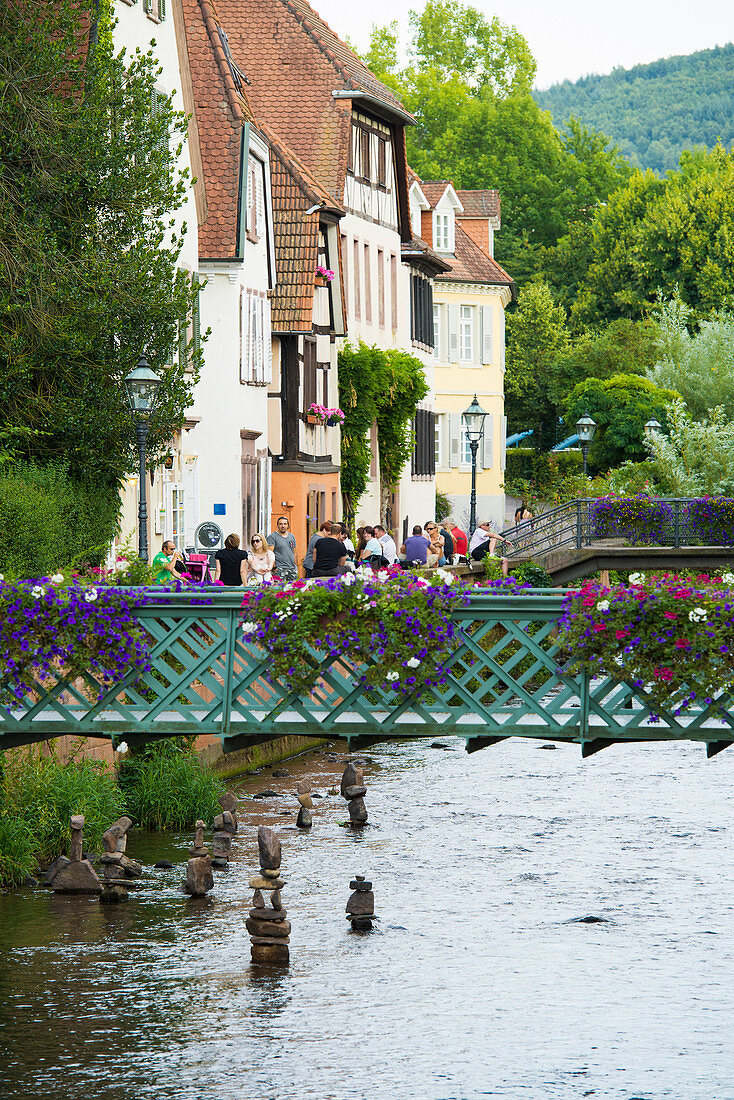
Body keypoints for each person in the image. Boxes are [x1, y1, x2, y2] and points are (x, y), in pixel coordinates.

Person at [267, 516, 297, 583]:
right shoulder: (272, 537)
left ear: (288, 526)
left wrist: (295, 566)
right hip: (280, 569)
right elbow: (269, 553)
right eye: (280, 524)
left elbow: (294, 551)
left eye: (285, 524)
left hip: (292, 569)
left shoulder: (291, 536)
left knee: (293, 590)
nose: (283, 526)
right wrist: (274, 567)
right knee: (279, 590)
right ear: (277, 525)